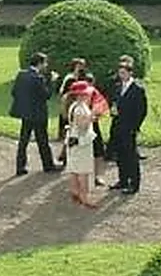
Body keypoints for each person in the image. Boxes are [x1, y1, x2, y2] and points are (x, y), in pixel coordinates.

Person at [9, 52, 58, 176]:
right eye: (45, 63)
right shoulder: (38, 78)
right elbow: (46, 95)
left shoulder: (21, 75)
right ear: (40, 63)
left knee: (23, 140)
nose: (46, 65)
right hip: (38, 114)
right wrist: (52, 81)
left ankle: (20, 167)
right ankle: (48, 165)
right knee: (42, 140)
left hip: (26, 114)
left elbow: (14, 92)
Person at [109, 61, 147, 195]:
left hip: (129, 128)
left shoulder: (138, 89)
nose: (121, 76)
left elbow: (142, 111)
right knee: (120, 155)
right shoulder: (118, 87)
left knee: (131, 156)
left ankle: (134, 183)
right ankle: (123, 180)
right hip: (117, 125)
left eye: (124, 73)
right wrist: (112, 110)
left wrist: (135, 127)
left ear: (130, 73)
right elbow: (114, 102)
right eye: (120, 73)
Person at [63, 80, 101, 208]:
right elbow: (82, 127)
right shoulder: (80, 109)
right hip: (81, 143)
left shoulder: (73, 105)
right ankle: (84, 197)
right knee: (83, 170)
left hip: (73, 140)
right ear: (81, 95)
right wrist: (91, 116)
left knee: (74, 168)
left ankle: (75, 191)